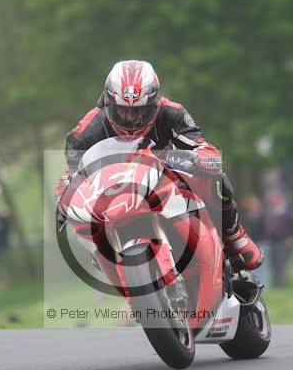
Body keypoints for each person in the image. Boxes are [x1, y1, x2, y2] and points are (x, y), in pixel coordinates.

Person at [56, 60, 263, 269]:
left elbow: (209, 154)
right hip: (117, 195)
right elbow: (71, 175)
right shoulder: (88, 130)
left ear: (155, 103)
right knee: (80, 215)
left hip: (166, 181)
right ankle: (101, 253)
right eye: (122, 111)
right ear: (107, 103)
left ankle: (234, 235)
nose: (131, 120)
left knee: (217, 180)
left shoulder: (172, 113)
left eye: (140, 112)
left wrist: (195, 160)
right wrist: (65, 200)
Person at [264, 192, 293, 287]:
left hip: (283, 241)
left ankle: (282, 284)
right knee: (274, 264)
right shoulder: (270, 213)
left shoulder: (287, 213)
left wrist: (291, 238)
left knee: (281, 263)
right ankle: (276, 283)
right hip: (272, 242)